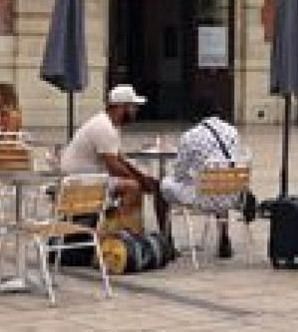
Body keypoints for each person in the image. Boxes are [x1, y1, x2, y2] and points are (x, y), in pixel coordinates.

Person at [58, 84, 160, 232]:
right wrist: (139, 181)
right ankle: (117, 233)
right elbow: (114, 166)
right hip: (80, 181)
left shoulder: (110, 124)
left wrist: (143, 178)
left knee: (137, 184)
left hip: (89, 178)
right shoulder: (104, 127)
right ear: (121, 107)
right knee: (132, 187)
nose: (135, 111)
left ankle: (131, 231)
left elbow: (120, 159)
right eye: (133, 107)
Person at [160, 103, 251, 258]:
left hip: (202, 198)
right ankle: (224, 237)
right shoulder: (232, 131)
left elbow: (179, 173)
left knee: (164, 184)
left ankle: (166, 240)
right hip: (233, 196)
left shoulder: (190, 136)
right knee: (221, 180)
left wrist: (190, 177)